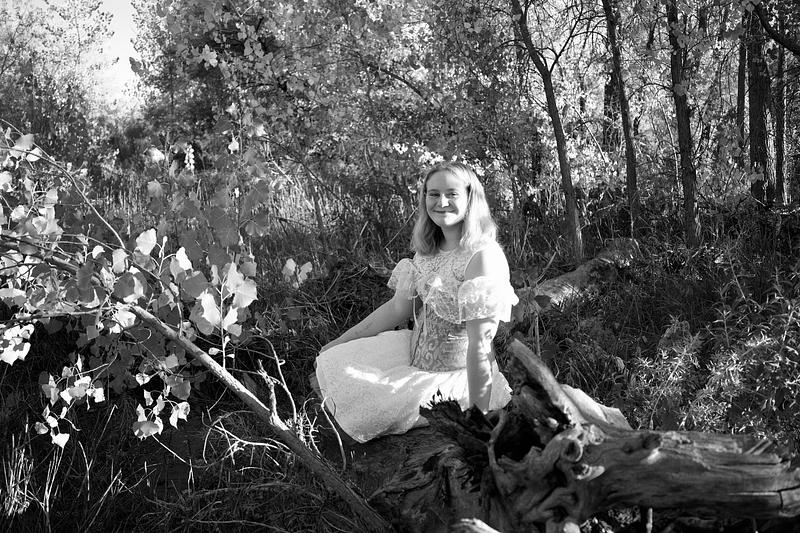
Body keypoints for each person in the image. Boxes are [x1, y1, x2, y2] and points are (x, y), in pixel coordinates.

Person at [315, 162, 518, 443]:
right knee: (335, 360)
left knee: (371, 404)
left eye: (452, 194)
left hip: (457, 376)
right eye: (433, 194)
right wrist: (339, 341)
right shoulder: (428, 251)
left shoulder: (482, 256)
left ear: (471, 198)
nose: (441, 202)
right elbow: (397, 308)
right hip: (413, 359)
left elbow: (480, 344)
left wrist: (478, 417)